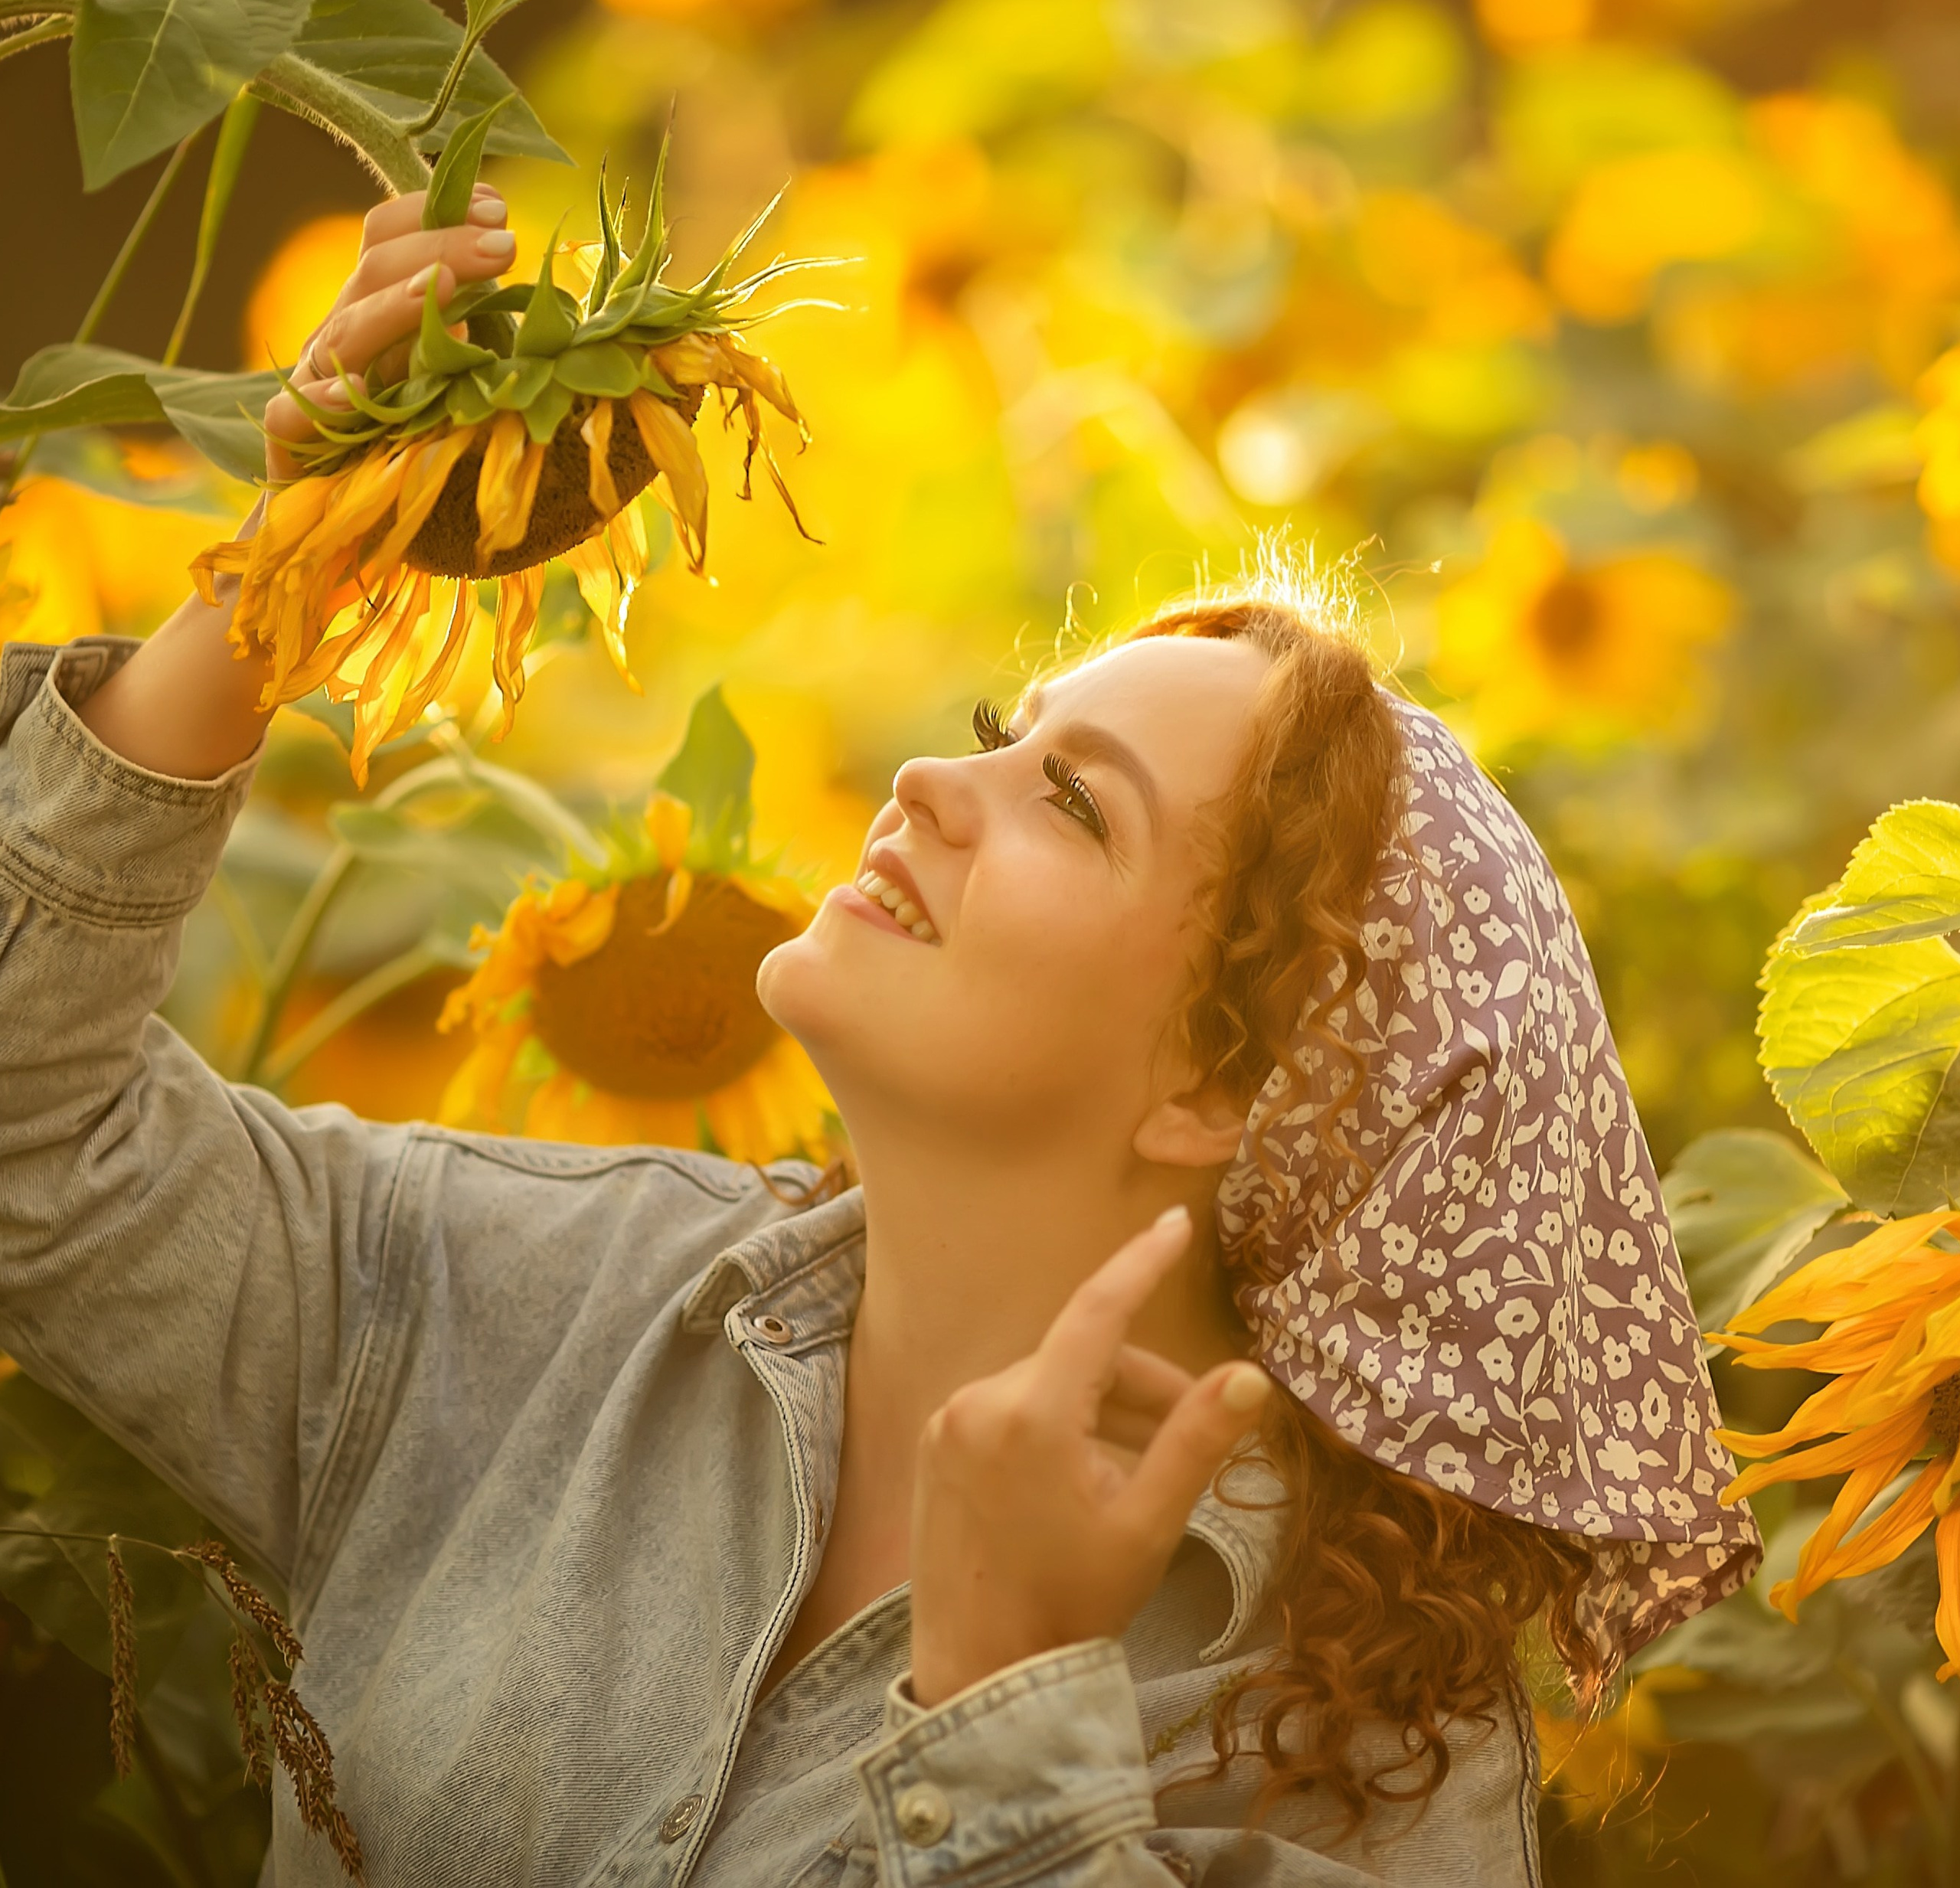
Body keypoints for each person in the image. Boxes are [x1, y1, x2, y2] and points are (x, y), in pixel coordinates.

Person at [0, 187, 1758, 1887]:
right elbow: (35, 1138)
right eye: (1003, 726)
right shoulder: (533, 1300)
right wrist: (285, 577)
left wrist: (1004, 1720)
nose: (927, 777)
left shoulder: (1351, 1751)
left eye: (1070, 801)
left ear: (1226, 1082)